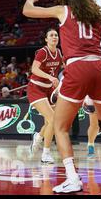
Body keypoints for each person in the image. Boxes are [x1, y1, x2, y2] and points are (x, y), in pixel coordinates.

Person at [22, 0, 101, 193]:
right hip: (100, 68)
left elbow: (28, 11)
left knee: (61, 127)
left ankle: (73, 178)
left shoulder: (63, 10)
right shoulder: (99, 13)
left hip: (78, 68)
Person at [28, 28, 62, 164]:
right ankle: (46, 154)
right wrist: (50, 77)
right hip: (36, 88)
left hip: (49, 90)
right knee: (53, 119)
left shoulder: (59, 52)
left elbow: (66, 68)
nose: (54, 37)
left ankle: (39, 136)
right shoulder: (43, 52)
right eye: (51, 35)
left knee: (50, 122)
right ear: (46, 39)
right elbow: (34, 69)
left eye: (56, 35)